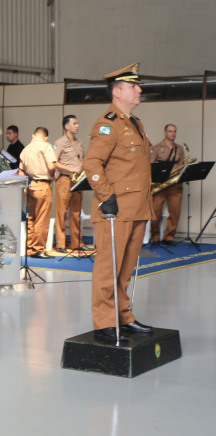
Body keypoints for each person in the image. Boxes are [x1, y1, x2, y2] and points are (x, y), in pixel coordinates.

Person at [84, 63, 155, 343]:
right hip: (116, 209)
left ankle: (123, 316)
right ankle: (104, 322)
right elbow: (91, 163)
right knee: (108, 267)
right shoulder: (107, 123)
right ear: (117, 91)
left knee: (126, 268)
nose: (139, 89)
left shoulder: (135, 123)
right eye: (133, 86)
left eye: (138, 86)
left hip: (137, 206)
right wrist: (106, 197)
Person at [18, 127, 57, 258]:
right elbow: (51, 166)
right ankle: (38, 249)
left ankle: (29, 248)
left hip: (29, 186)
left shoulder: (25, 149)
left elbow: (20, 171)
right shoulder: (46, 146)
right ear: (46, 137)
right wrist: (52, 175)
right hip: (42, 185)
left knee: (31, 217)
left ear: (33, 135)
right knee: (42, 218)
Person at [53, 115, 87, 251]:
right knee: (61, 212)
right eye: (74, 123)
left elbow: (82, 159)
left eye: (78, 123)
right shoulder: (59, 142)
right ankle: (61, 244)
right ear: (66, 126)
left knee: (76, 213)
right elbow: (53, 162)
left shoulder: (79, 142)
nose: (77, 125)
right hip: (64, 179)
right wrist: (71, 169)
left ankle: (77, 243)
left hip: (78, 181)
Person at [149, 124, 186, 246]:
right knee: (156, 212)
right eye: (170, 131)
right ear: (164, 133)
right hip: (160, 184)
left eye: (174, 131)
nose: (173, 134)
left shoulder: (179, 148)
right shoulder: (156, 148)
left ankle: (169, 237)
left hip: (175, 185)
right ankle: (155, 237)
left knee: (175, 212)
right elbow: (150, 166)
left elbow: (182, 164)